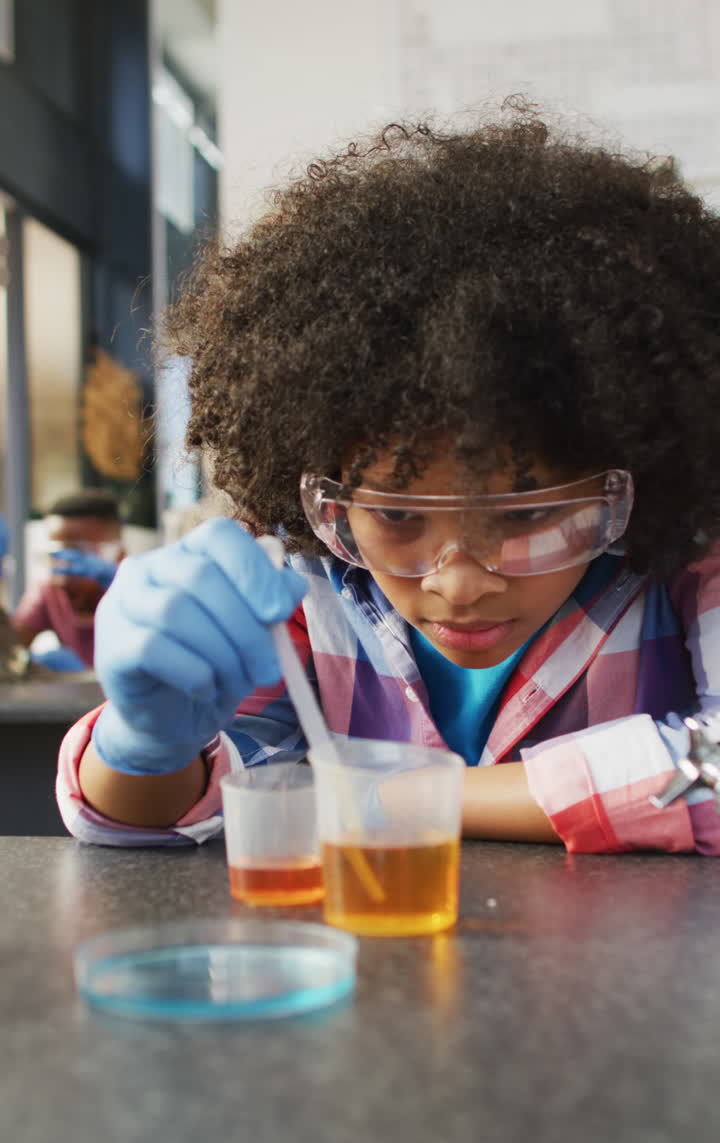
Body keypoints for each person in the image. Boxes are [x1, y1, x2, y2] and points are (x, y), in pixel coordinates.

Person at [57, 103, 720, 854]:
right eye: (400, 518)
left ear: (621, 480)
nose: (460, 584)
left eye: (525, 517)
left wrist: (400, 797)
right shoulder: (303, 591)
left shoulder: (685, 568)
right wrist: (143, 745)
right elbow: (178, 812)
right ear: (329, 495)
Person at [13, 489, 123, 670]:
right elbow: (13, 646)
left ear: (117, 551)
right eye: (57, 555)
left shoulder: (137, 589)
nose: (65, 572)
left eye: (78, 553)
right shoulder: (48, 592)